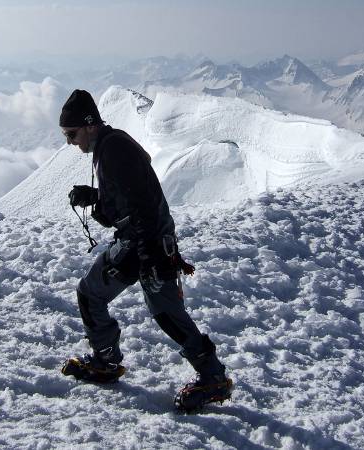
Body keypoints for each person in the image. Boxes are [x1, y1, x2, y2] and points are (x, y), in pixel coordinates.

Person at [57, 89, 232, 412]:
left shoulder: (114, 150)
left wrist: (150, 253)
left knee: (160, 312)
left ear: (90, 125)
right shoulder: (111, 145)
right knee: (112, 298)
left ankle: (212, 378)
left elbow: (142, 203)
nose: (70, 141)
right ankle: (107, 361)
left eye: (71, 133)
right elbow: (131, 192)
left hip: (145, 244)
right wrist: (95, 198)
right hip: (143, 243)